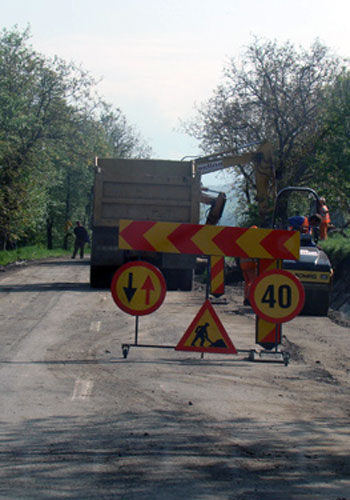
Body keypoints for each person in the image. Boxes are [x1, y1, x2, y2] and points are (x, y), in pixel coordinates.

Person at [240, 225, 258, 306]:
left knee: (247, 282)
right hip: (250, 264)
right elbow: (254, 254)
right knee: (253, 282)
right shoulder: (253, 242)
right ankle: (249, 299)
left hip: (243, 264)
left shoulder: (245, 241)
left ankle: (245, 298)